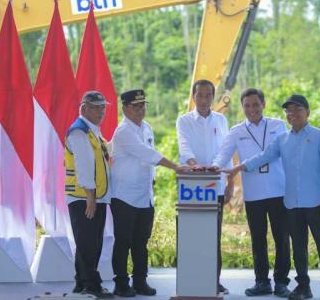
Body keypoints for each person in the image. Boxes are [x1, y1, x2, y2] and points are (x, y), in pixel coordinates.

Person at [224, 94, 320, 300]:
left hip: (315, 201)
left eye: (297, 109)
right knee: (298, 248)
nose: (292, 114)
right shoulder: (282, 139)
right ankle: (303, 286)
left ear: (307, 112)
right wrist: (238, 168)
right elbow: (264, 156)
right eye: (288, 110)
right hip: (291, 203)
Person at [213, 88, 291, 298]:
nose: (252, 109)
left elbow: (282, 154)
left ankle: (281, 282)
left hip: (278, 190)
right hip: (254, 194)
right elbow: (222, 155)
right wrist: (211, 168)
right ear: (242, 107)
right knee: (258, 239)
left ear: (263, 104)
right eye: (247, 105)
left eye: (256, 104)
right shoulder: (237, 131)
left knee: (282, 238)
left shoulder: (277, 125)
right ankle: (262, 282)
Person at [110, 89, 188, 297]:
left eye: (143, 105)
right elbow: (149, 155)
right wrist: (176, 167)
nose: (140, 110)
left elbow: (148, 163)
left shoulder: (147, 128)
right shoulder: (123, 131)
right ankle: (120, 283)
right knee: (123, 241)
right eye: (135, 107)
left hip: (145, 196)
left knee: (140, 243)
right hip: (124, 196)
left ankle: (140, 281)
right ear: (125, 108)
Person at [176, 79, 233, 294]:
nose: (203, 99)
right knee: (194, 236)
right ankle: (193, 280)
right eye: (199, 95)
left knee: (214, 236)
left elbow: (226, 151)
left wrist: (230, 183)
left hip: (216, 186)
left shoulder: (221, 119)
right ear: (193, 96)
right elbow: (184, 147)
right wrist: (195, 165)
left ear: (213, 97)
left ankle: (214, 281)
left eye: (208, 95)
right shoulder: (184, 121)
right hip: (193, 187)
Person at [64, 91, 114, 298]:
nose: (101, 111)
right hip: (84, 197)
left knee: (89, 241)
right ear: (83, 108)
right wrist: (91, 198)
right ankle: (92, 285)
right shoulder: (79, 132)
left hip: (94, 195)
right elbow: (84, 167)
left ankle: (81, 283)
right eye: (95, 107)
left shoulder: (92, 131)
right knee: (89, 243)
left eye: (103, 107)